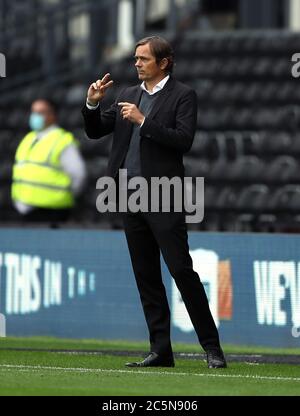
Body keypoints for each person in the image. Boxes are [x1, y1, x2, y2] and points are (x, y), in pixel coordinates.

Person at [82, 36, 227, 369]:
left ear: (164, 62)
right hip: (128, 193)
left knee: (180, 270)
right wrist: (92, 104)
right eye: (135, 58)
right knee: (145, 274)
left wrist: (144, 122)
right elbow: (95, 131)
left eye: (144, 58)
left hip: (164, 194)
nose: (137, 63)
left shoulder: (183, 95)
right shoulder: (127, 95)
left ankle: (212, 347)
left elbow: (183, 140)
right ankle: (161, 350)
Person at [12, 98, 86, 225]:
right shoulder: (28, 139)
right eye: (34, 112)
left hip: (52, 211)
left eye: (41, 113)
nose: (35, 116)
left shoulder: (62, 140)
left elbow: (78, 175)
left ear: (53, 115)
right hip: (26, 209)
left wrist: (62, 197)